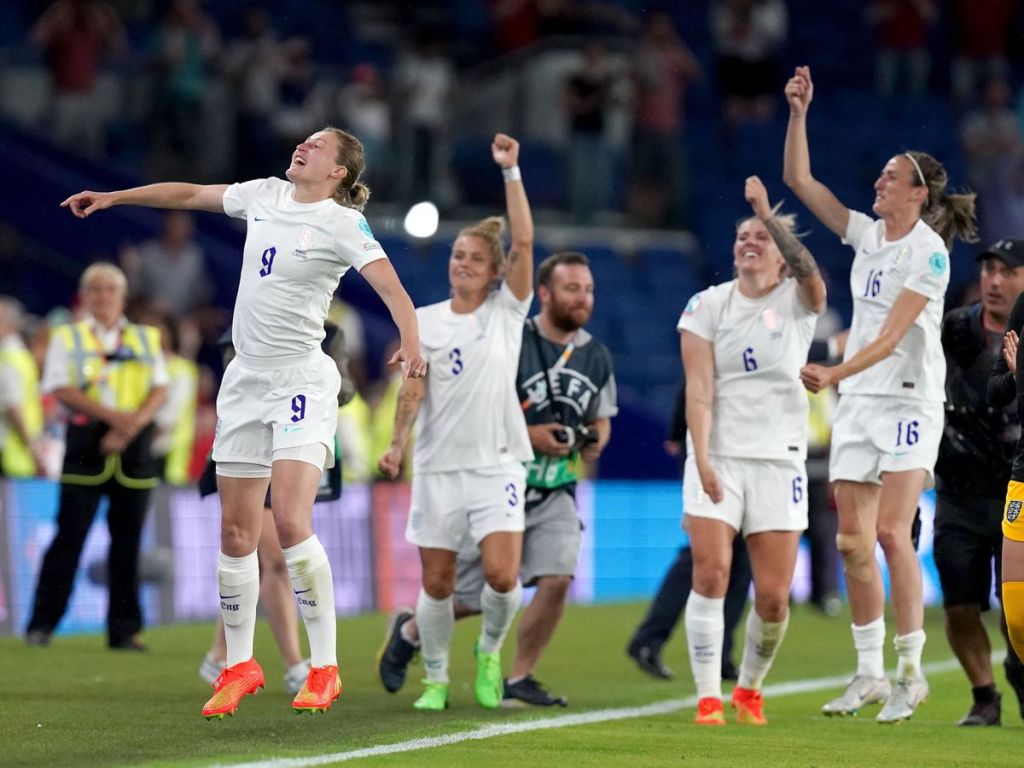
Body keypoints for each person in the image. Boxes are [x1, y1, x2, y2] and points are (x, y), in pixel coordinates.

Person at [59, 126, 425, 719]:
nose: (302, 146)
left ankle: (324, 666)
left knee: (289, 519)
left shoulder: (340, 223)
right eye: (303, 140)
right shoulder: (263, 194)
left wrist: (410, 342)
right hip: (245, 379)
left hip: (302, 378)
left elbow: (394, 290)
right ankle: (239, 665)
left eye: (317, 146)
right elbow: (185, 196)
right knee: (236, 535)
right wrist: (114, 197)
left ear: (337, 172)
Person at [783, 65, 978, 722]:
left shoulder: (929, 255)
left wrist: (833, 374)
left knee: (895, 533)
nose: (877, 184)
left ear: (918, 193)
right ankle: (867, 671)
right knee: (848, 543)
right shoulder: (867, 235)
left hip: (908, 402)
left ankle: (911, 672)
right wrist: (799, 113)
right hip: (861, 404)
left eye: (890, 178)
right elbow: (800, 183)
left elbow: (894, 338)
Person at [378, 250, 616, 707]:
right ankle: (410, 630)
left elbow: (602, 418)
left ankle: (519, 675)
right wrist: (531, 436)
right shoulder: (506, 335)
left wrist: (591, 439)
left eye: (588, 290)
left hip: (555, 488)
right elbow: (477, 406)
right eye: (572, 288)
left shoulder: (598, 356)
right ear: (543, 294)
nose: (583, 298)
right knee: (468, 592)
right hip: (492, 475)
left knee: (556, 576)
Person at [377, 133, 534, 711]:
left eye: (474, 257)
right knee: (437, 583)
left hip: (496, 463)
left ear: (495, 271)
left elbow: (526, 239)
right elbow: (413, 385)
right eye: (456, 256)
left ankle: (490, 652)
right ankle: (437, 678)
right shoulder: (425, 321)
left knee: (500, 574)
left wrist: (511, 173)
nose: (462, 264)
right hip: (440, 465)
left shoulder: (507, 311)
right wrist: (397, 444)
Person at [680, 176, 825, 727]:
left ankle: (749, 690)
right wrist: (704, 459)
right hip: (719, 456)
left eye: (761, 237)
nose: (749, 240)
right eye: (743, 234)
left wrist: (769, 215)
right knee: (712, 574)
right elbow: (699, 388)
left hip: (779, 460)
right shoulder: (705, 305)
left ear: (781, 258)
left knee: (773, 599)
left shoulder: (797, 300)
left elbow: (811, 274)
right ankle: (707, 698)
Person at [25, 263, 168, 650]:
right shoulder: (67, 337)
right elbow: (60, 387)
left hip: (133, 450)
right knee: (68, 540)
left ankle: (124, 631)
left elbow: (159, 389)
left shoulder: (145, 338)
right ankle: (42, 624)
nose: (103, 297)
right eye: (96, 290)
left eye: (110, 290)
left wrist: (129, 427)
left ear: (122, 296)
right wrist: (116, 420)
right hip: (86, 447)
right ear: (85, 296)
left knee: (128, 545)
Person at [939, 239, 1024, 726]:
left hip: (1016, 487)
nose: (993, 280)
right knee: (959, 606)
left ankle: (1018, 667)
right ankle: (983, 693)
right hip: (960, 490)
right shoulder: (953, 327)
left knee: (1017, 609)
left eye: (1005, 271)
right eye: (988, 269)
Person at [627, 378, 752, 682]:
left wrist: (676, 433)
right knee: (707, 557)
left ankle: (715, 652)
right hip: (715, 454)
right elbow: (695, 380)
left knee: (736, 561)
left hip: (741, 453)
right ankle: (653, 640)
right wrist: (678, 432)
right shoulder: (729, 334)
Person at [0, 297, 44, 477]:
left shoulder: (7, 358)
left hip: (8, 448)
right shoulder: (22, 356)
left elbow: (14, 407)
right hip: (16, 450)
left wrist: (32, 447)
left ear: (11, 325)